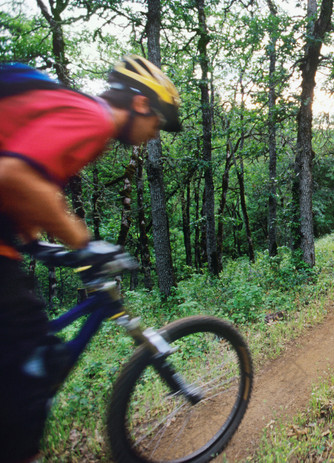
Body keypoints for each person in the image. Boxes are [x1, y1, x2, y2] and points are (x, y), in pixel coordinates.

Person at [0, 55, 181, 463]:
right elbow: (13, 174)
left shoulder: (76, 115)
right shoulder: (93, 118)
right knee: (25, 382)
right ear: (139, 104)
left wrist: (35, 240)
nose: (156, 134)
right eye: (158, 121)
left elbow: (20, 184)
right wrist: (84, 243)